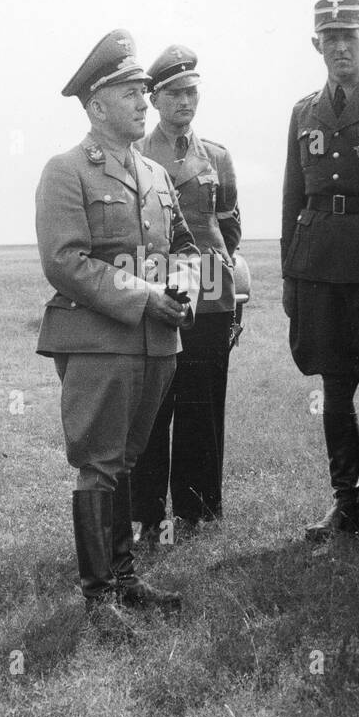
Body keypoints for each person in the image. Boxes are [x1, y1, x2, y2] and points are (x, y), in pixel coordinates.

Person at [35, 30, 200, 638]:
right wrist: (146, 295)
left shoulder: (156, 174)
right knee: (99, 464)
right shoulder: (67, 170)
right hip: (98, 342)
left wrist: (180, 285)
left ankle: (125, 579)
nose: (143, 101)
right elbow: (64, 261)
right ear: (96, 104)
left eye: (143, 92)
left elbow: (183, 245)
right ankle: (99, 593)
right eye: (130, 92)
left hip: (157, 342)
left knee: (127, 459)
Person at [282, 0, 359, 544]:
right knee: (334, 383)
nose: (339, 48)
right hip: (319, 260)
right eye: (329, 39)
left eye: (348, 37)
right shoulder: (304, 111)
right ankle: (344, 502)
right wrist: (290, 273)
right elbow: (291, 197)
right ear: (316, 45)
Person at [129, 45, 241, 544]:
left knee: (203, 402)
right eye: (175, 93)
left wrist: (217, 284)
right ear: (154, 99)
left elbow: (230, 224)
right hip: (156, 286)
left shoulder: (216, 155)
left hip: (211, 292)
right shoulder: (134, 156)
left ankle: (199, 511)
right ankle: (147, 515)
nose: (185, 102)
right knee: (154, 404)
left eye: (192, 92)